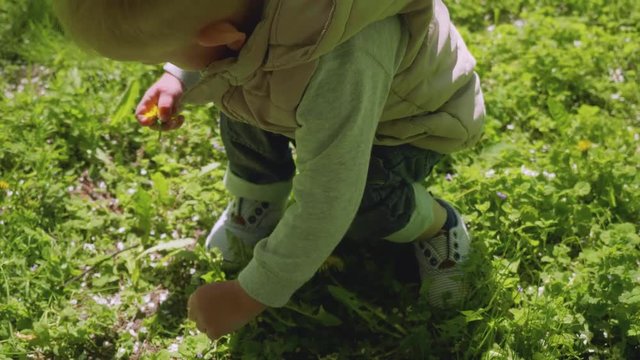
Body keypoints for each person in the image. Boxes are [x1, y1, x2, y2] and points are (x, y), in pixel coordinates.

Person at [53, 0, 485, 340]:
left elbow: (328, 200)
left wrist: (251, 294)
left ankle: (438, 227)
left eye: (166, 54)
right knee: (238, 100)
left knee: (364, 203)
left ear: (222, 35)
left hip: (406, 123)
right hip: (300, 83)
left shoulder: (345, 63)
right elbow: (214, 38)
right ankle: (260, 198)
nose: (167, 63)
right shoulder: (240, 18)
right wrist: (180, 77)